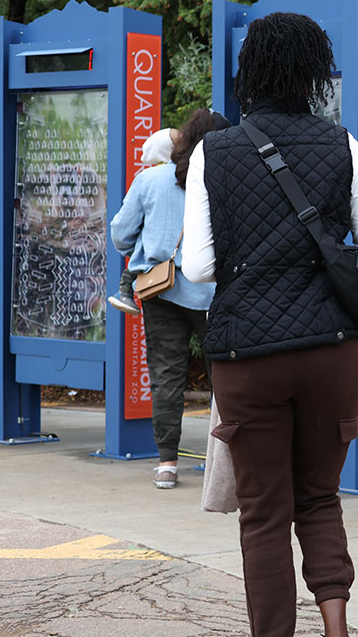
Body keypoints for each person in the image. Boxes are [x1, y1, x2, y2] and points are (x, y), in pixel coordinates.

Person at [181, 11, 358, 637]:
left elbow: (197, 267)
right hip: (331, 349)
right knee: (319, 497)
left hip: (248, 352)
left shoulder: (212, 152)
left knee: (265, 512)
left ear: (248, 72)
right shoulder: (344, 145)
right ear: (313, 74)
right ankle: (335, 626)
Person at [109, 112, 223, 490]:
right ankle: (222, 460)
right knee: (224, 377)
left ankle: (167, 464)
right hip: (213, 291)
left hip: (161, 288)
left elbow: (121, 233)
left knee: (165, 375)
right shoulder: (225, 180)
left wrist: (144, 247)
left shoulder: (151, 178)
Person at [108, 128, 177, 315]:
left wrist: (137, 252)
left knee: (165, 344)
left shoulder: (147, 179)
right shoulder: (197, 174)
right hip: (201, 280)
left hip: (156, 278)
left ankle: (125, 292)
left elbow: (121, 230)